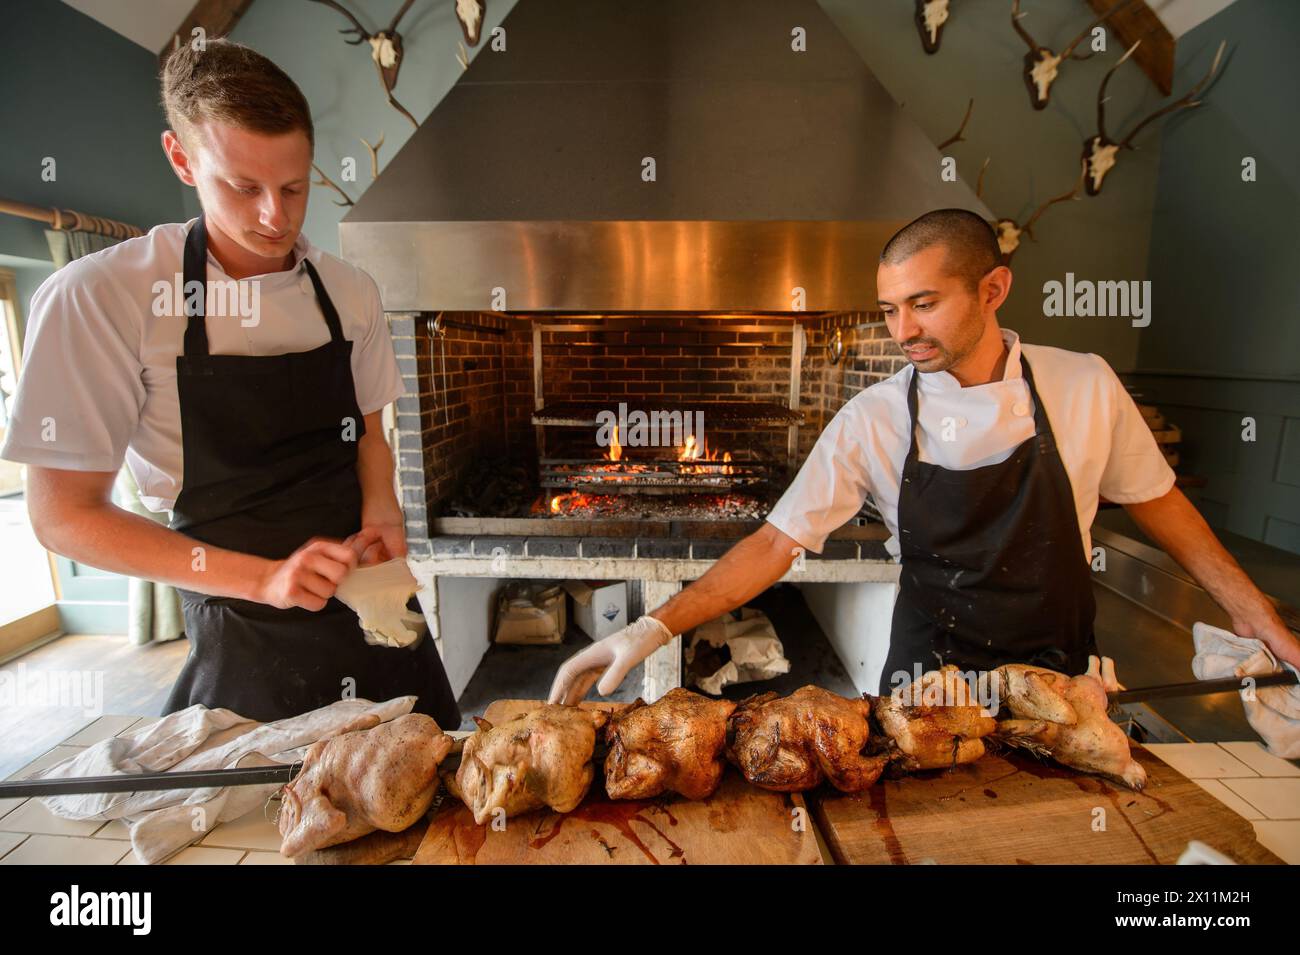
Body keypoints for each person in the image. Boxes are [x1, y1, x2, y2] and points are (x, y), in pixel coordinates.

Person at [549, 209, 1300, 703]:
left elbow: (1162, 503)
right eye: (887, 307)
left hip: (1061, 681)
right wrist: (649, 629)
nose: (901, 328)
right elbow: (776, 542)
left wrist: (1264, 622)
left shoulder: (1084, 386)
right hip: (926, 688)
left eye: (924, 302)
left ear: (993, 287)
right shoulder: (873, 418)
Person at [0, 40, 459, 727]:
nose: (277, 216)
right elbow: (63, 516)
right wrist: (266, 579)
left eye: (295, 186)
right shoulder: (100, 296)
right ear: (181, 159)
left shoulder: (349, 291)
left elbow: (368, 434)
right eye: (244, 188)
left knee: (430, 784)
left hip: (372, 597)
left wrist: (381, 515)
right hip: (241, 622)